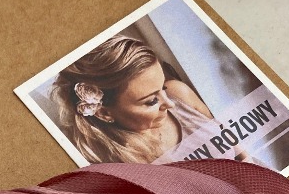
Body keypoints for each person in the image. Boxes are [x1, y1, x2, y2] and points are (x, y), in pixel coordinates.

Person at [50, 34, 214, 165]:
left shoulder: (179, 93)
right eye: (152, 101)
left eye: (162, 87)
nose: (170, 103)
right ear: (104, 113)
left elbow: (228, 138)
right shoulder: (119, 163)